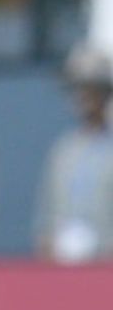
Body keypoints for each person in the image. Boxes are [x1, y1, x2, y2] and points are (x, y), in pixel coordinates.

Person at [35, 42, 113, 262]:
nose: (83, 97)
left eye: (91, 88)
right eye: (78, 88)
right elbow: (46, 214)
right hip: (64, 267)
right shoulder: (63, 150)